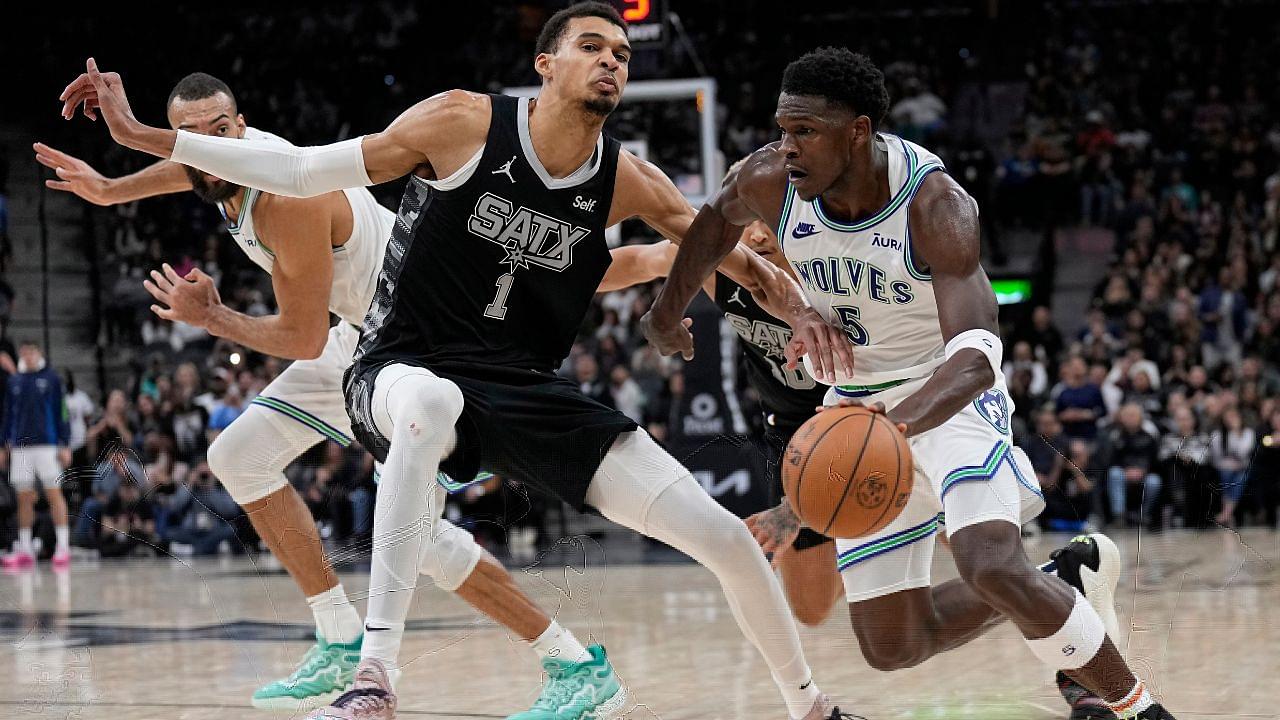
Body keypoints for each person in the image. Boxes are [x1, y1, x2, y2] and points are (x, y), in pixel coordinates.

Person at [60, 6, 847, 716]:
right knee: (389, 430)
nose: (611, 59)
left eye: (621, 51)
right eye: (590, 45)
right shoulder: (462, 123)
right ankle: (370, 672)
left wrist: (802, 309)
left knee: (724, 538)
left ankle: (802, 707)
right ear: (545, 64)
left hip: (501, 376)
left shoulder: (624, 179)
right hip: (397, 353)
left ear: (240, 127)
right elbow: (259, 167)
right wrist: (124, 163)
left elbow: (719, 256)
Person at [643, 47, 1176, 719]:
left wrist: (883, 430)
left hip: (948, 394)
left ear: (858, 132)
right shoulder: (769, 181)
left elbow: (978, 357)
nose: (789, 148)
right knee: (893, 645)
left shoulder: (935, 205)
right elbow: (715, 221)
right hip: (857, 404)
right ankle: (1062, 582)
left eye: (806, 132)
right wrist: (666, 311)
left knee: (988, 563)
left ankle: (1140, 709)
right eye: (783, 130)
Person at [1, 341, 72, 569]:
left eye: (32, 352)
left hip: (47, 446)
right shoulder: (14, 381)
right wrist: (3, 444)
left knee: (53, 493)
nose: (28, 356)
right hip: (21, 447)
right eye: (25, 352)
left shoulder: (51, 378)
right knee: (23, 497)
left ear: (38, 353)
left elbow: (61, 410)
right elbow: (7, 415)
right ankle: (25, 548)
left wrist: (65, 443)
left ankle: (63, 546)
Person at [1099, 403, 1163, 528]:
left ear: (1140, 418)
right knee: (1114, 473)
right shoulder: (1115, 436)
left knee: (1154, 481)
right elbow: (1109, 461)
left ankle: (1144, 516)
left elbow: (1155, 462)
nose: (1130, 418)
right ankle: (1119, 516)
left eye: (1133, 415)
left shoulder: (1149, 437)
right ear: (1121, 418)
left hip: (1144, 475)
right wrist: (1126, 471)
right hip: (1122, 474)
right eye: (1127, 415)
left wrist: (1143, 471)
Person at [1208, 407, 1255, 528]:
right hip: (1223, 468)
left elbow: (1242, 453)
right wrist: (1229, 465)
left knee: (1240, 479)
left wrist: (1235, 432)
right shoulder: (1217, 434)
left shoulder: (1248, 433)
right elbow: (1216, 458)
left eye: (1234, 416)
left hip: (1242, 468)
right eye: (1228, 417)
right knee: (1227, 474)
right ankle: (1228, 514)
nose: (1231, 420)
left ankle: (1226, 513)